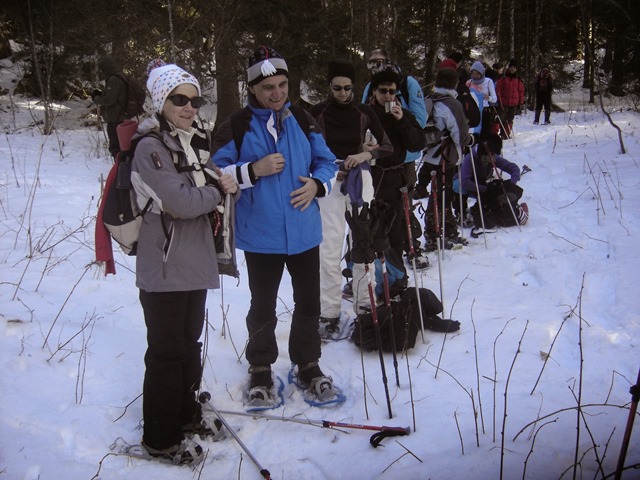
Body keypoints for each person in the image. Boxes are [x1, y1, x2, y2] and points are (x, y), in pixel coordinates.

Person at [211, 46, 339, 407]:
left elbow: (327, 161)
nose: (278, 93)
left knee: (309, 303)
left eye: (283, 85)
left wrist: (317, 184)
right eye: (268, 87)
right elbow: (214, 173)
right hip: (261, 235)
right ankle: (261, 367)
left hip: (304, 232)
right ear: (253, 89)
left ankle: (307, 363)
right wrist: (254, 170)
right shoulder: (236, 125)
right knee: (263, 305)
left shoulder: (302, 117)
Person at [131, 64, 239, 465]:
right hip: (163, 267)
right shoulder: (150, 148)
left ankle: (187, 415)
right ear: (162, 102)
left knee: (188, 346)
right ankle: (160, 438)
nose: (189, 107)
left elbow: (212, 193)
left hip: (194, 262)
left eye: (195, 100)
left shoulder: (195, 142)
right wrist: (215, 188)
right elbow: (181, 203)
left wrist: (222, 187)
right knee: (165, 352)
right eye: (180, 99)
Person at [310, 60, 393, 338]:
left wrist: (365, 155)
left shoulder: (365, 111)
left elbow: (386, 146)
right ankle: (329, 311)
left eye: (347, 88)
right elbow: (304, 147)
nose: (343, 93)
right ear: (329, 86)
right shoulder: (318, 112)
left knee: (364, 243)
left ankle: (365, 305)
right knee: (329, 246)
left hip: (360, 179)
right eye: (337, 88)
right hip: (330, 181)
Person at [361, 48, 429, 268]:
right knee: (367, 226)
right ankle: (366, 275)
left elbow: (418, 141)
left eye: (392, 92)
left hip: (398, 173)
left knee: (396, 227)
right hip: (371, 175)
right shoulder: (364, 112)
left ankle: (397, 274)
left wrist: (402, 122)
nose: (389, 96)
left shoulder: (404, 107)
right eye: (384, 91)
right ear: (374, 92)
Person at [417, 67, 472, 251]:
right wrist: (469, 140)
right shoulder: (452, 104)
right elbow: (461, 134)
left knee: (438, 196)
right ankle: (437, 234)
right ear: (454, 84)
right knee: (443, 197)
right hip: (447, 158)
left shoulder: (428, 101)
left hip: (430, 156)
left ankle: (442, 232)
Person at [458, 134, 528, 235]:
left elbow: (513, 168)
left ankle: (485, 212)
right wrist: (485, 189)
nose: (488, 162)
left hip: (482, 185)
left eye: (490, 159)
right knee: (458, 186)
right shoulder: (470, 159)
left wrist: (512, 183)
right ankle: (462, 212)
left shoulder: (492, 156)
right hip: (467, 185)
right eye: (485, 159)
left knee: (495, 193)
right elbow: (464, 182)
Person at [92, 55, 129, 158]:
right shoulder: (118, 76)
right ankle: (120, 168)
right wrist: (101, 94)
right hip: (120, 117)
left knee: (116, 149)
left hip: (116, 119)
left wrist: (96, 98)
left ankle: (118, 170)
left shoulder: (114, 79)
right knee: (121, 148)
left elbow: (109, 99)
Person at [466, 60, 497, 141]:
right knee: (473, 133)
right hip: (472, 112)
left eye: (477, 74)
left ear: (481, 73)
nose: (475, 76)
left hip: (485, 111)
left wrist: (488, 98)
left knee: (485, 133)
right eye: (473, 73)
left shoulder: (488, 81)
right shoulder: (469, 83)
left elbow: (494, 99)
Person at [496, 60, 525, 137]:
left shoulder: (518, 79)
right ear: (508, 68)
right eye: (511, 67)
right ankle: (500, 132)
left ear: (516, 69)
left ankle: (506, 134)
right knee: (501, 118)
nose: (512, 69)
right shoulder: (503, 77)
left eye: (514, 68)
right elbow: (498, 89)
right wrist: (499, 99)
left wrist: (521, 102)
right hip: (503, 102)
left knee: (510, 118)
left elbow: (521, 91)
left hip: (514, 103)